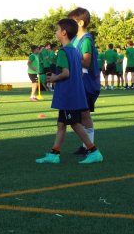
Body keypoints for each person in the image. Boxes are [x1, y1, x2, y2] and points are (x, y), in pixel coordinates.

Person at [36, 19, 104, 165]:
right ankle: (55, 153)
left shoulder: (63, 52)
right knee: (61, 124)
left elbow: (66, 73)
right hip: (74, 93)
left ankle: (94, 151)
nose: (55, 32)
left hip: (68, 94)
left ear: (64, 32)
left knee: (74, 123)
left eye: (57, 30)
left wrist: (54, 77)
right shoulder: (74, 50)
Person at [69, 7, 101, 156]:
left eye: (72, 22)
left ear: (80, 23)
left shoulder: (86, 39)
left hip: (86, 83)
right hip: (77, 83)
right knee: (80, 116)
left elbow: (86, 62)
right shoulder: (74, 39)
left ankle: (89, 147)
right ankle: (86, 145)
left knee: (85, 115)